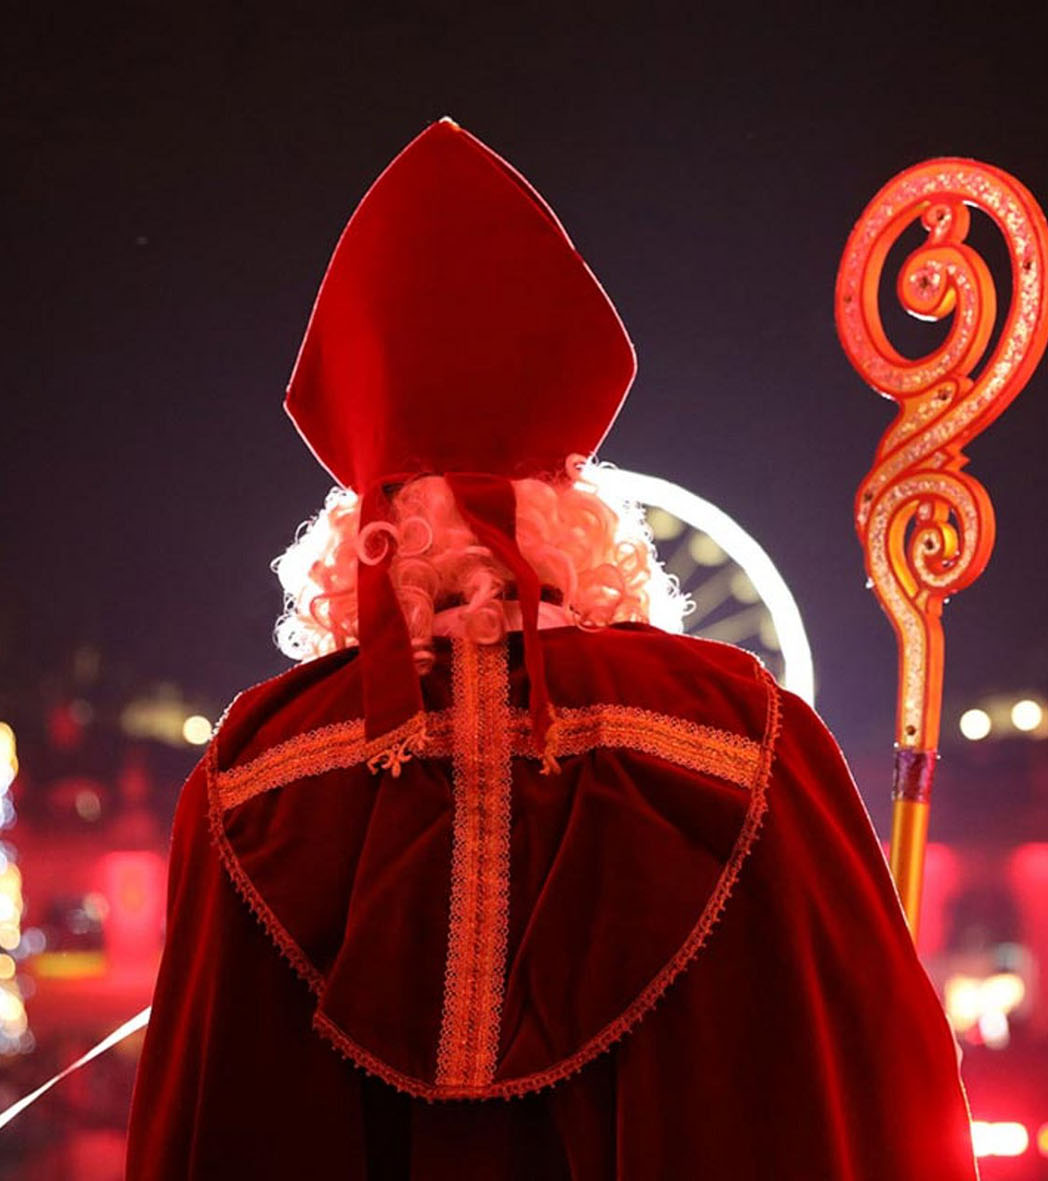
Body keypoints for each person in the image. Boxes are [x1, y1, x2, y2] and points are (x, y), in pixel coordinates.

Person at [125, 119, 978, 1180]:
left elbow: (204, 1127)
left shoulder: (252, 775)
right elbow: (868, 1092)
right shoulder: (751, 737)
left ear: (369, 534)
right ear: (575, 508)